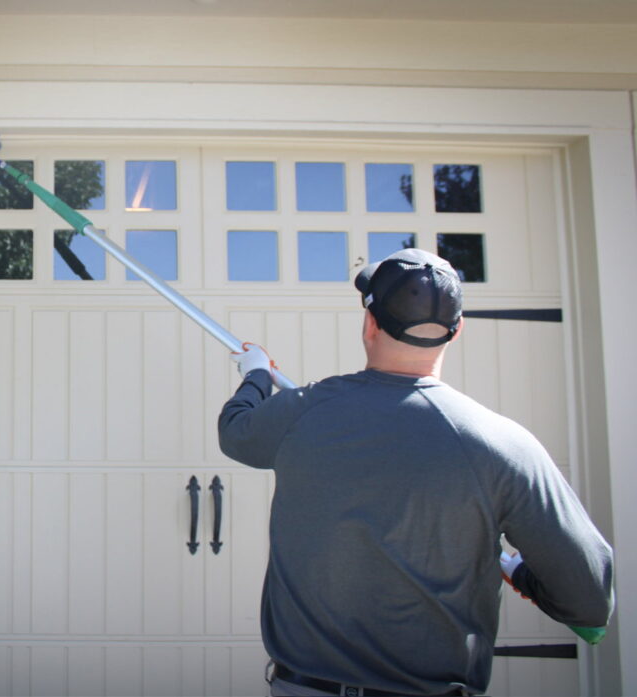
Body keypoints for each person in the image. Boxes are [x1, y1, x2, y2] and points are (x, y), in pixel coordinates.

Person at [218, 248, 614, 697]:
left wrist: (256, 377)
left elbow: (237, 432)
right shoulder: (504, 445)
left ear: (370, 324)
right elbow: (589, 603)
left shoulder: (302, 412)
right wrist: (523, 575)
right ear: (456, 330)